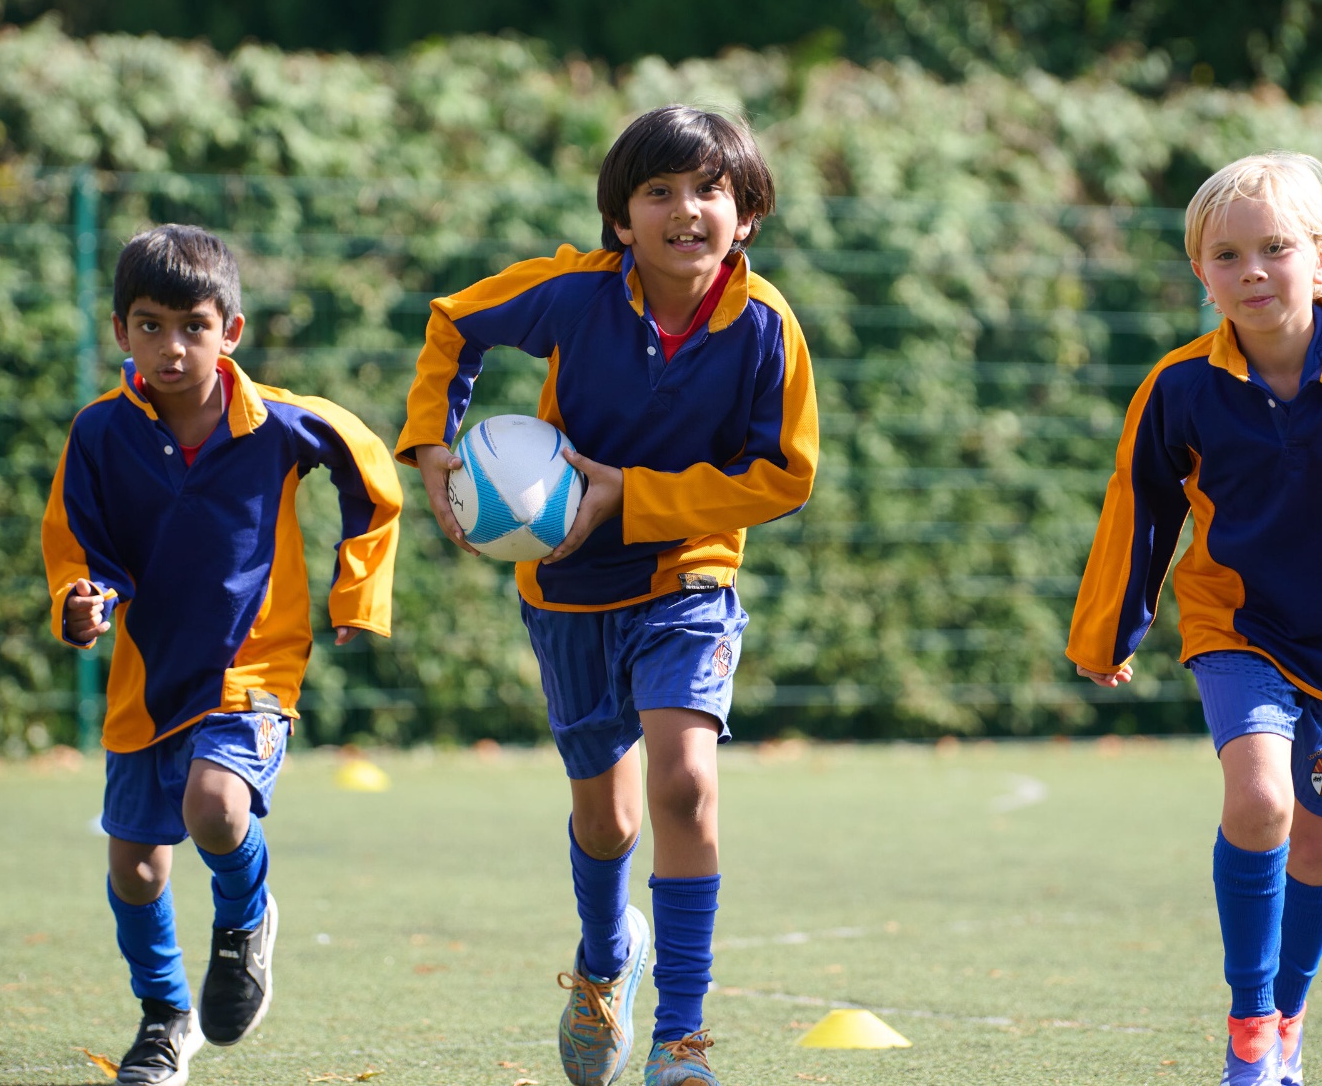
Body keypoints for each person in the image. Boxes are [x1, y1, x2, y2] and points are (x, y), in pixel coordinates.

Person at [398, 105, 819, 1086]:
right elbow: (453, 322)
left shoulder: (765, 328)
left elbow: (784, 476)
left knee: (684, 782)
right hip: (567, 590)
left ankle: (680, 1039)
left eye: (709, 189)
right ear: (620, 220)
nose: (685, 210)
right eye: (657, 192)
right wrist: (430, 442)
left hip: (689, 577)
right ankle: (602, 957)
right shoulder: (572, 296)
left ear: (746, 211)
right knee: (610, 822)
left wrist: (632, 496)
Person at [1065, 153, 1322, 1085]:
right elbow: (1142, 509)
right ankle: (1249, 1031)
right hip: (1233, 623)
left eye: (1275, 248)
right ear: (1202, 273)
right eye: (1227, 254)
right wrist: (1107, 630)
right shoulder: (1179, 387)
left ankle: (1289, 1013)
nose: (1252, 270)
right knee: (1260, 800)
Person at [42, 224, 403, 1086]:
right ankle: (166, 1016)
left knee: (216, 803)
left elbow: (375, 481)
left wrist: (357, 592)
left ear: (230, 330)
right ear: (123, 331)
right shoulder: (97, 433)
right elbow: (76, 541)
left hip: (255, 665)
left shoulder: (282, 422)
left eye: (193, 326)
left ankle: (244, 919)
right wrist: (80, 600)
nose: (173, 346)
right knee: (134, 867)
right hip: (148, 673)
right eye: (151, 325)